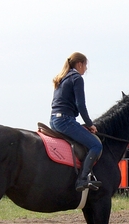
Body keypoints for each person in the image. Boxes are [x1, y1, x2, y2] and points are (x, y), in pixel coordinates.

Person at [50, 52, 102, 192]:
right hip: (65, 120)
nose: (85, 69)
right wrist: (90, 124)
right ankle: (82, 179)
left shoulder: (62, 78)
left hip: (54, 120)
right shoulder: (76, 78)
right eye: (85, 65)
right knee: (96, 145)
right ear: (79, 64)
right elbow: (81, 104)